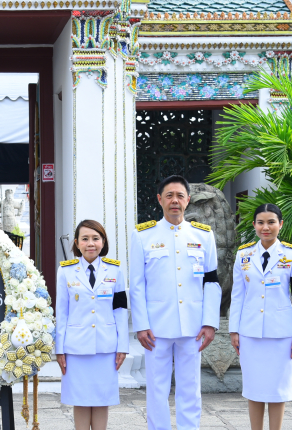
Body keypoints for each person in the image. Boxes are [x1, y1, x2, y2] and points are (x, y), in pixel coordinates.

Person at [129, 175, 221, 430]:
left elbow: (211, 282)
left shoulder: (203, 235)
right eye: (169, 196)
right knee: (157, 387)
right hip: (156, 326)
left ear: (188, 200)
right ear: (160, 200)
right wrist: (141, 324)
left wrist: (210, 322)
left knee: (190, 385)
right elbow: (137, 285)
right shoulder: (143, 235)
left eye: (180, 196)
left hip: (192, 325)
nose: (175, 201)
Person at [229, 203, 292, 430]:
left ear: (280, 225)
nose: (266, 227)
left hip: (281, 334)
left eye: (271, 222)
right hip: (250, 333)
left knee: (277, 389)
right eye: (261, 222)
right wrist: (234, 330)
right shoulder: (243, 255)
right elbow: (237, 296)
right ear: (254, 225)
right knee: (253, 388)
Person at [56, 220, 128, 430]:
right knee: (80, 399)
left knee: (101, 398)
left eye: (95, 238)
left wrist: (122, 345)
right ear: (77, 243)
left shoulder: (115, 271)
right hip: (76, 348)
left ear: (103, 242)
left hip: (106, 347)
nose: (90, 244)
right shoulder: (66, 272)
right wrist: (59, 349)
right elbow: (62, 312)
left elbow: (121, 311)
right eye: (85, 239)